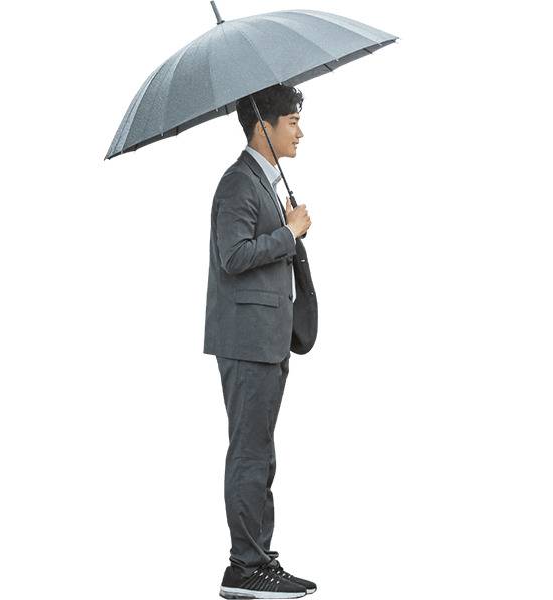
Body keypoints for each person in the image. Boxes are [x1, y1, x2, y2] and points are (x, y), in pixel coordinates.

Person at [203, 84, 317, 599]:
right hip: (247, 341)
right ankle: (244, 567)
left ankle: (258, 557)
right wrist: (288, 233)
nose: (300, 131)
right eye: (291, 121)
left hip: (266, 340)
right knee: (250, 453)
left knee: (260, 452)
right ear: (262, 127)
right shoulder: (237, 184)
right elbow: (233, 255)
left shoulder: (263, 183)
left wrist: (289, 230)